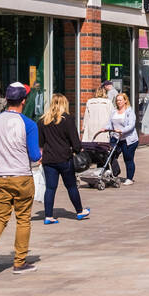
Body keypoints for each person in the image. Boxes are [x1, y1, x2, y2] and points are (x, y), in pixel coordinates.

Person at [0, 82, 42, 276]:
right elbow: (33, 155)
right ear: (23, 100)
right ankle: (19, 262)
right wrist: (39, 155)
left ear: (6, 100)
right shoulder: (29, 124)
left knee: (0, 216)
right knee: (23, 219)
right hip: (21, 176)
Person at [37, 93, 90, 222]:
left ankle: (48, 216)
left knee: (50, 188)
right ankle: (79, 211)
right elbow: (75, 142)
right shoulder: (67, 120)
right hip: (64, 158)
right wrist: (78, 150)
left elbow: (40, 142)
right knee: (71, 186)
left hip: (49, 159)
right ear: (64, 104)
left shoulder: (42, 121)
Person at [109, 92, 139, 184]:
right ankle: (114, 174)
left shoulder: (129, 111)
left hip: (128, 139)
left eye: (120, 100)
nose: (118, 102)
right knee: (111, 156)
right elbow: (109, 123)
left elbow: (131, 125)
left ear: (125, 101)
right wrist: (105, 128)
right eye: (117, 100)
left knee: (128, 159)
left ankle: (129, 178)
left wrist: (122, 130)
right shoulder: (114, 111)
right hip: (116, 138)